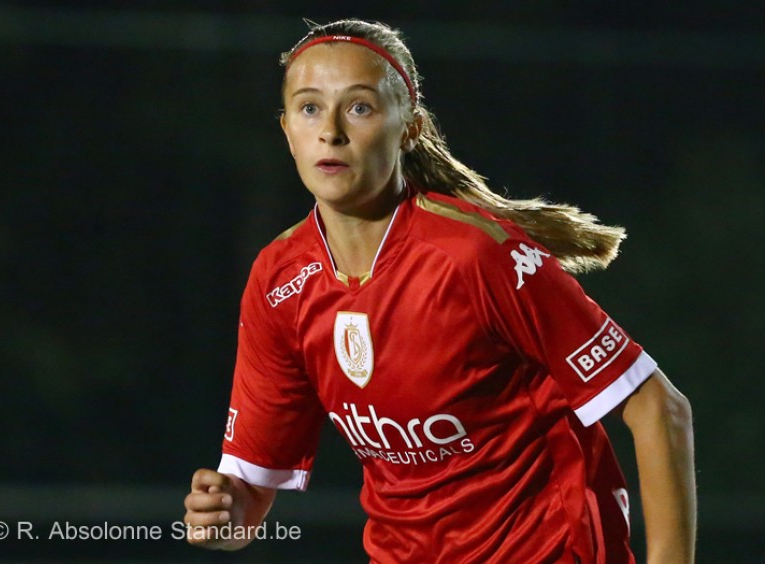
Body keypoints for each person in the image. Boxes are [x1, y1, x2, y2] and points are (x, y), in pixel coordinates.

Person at [183, 18, 696, 563]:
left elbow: (658, 407)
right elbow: (249, 494)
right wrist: (228, 515)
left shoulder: (476, 256)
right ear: (286, 129)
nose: (330, 130)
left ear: (410, 127)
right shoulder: (278, 281)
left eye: (359, 107)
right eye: (310, 108)